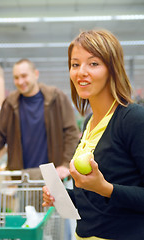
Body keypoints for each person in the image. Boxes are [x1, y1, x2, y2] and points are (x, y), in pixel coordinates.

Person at [42, 29, 144, 240]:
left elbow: (107, 190)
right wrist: (62, 196)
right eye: (75, 64)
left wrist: (106, 188)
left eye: (93, 63)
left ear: (112, 69)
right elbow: (94, 198)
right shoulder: (89, 123)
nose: (81, 72)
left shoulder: (133, 119)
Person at [0, 59, 79, 183]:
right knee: (26, 203)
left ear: (36, 74)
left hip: (56, 175)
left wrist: (66, 164)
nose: (20, 81)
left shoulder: (56, 97)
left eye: (24, 76)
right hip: (23, 179)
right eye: (16, 78)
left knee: (54, 202)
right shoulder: (10, 103)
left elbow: (71, 132)